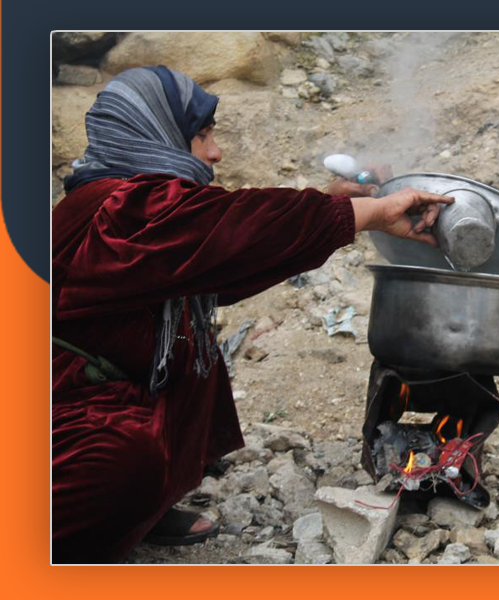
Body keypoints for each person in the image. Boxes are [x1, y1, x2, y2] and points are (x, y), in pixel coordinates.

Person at [51, 66, 452, 563]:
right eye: (202, 134)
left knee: (190, 358)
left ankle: (140, 510)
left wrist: (332, 207)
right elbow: (228, 229)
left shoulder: (133, 203)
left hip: (94, 384)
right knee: (121, 457)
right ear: (154, 131)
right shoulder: (114, 208)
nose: (215, 151)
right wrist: (366, 214)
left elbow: (221, 256)